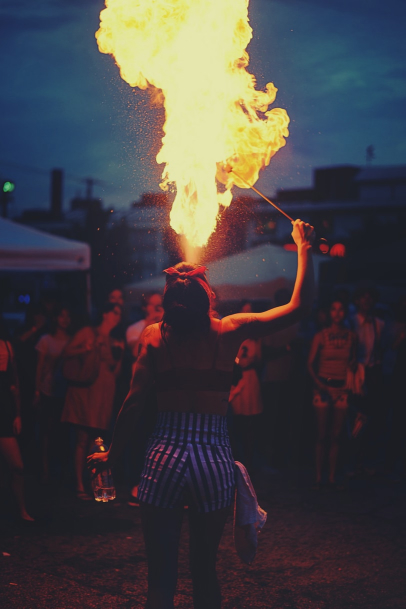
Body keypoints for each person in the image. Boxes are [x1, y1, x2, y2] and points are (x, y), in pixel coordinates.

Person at [88, 220, 314, 609]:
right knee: (204, 570)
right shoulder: (230, 330)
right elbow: (299, 307)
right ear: (206, 297)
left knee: (161, 573)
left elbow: (134, 402)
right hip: (213, 459)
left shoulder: (154, 336)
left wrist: (113, 453)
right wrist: (304, 247)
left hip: (164, 456)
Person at [61, 303, 123, 499]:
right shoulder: (88, 332)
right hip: (86, 392)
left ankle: (92, 485)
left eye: (119, 314)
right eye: (114, 312)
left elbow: (115, 372)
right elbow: (66, 352)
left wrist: (119, 354)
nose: (117, 317)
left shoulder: (113, 340)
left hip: (103, 395)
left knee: (95, 441)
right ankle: (79, 485)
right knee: (81, 439)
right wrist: (85, 348)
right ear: (104, 314)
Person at [307, 299, 357, 488]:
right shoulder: (321, 336)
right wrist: (319, 383)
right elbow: (310, 364)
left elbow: (352, 360)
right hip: (323, 387)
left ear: (345, 312)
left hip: (342, 388)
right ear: (330, 313)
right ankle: (319, 475)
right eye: (334, 309)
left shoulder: (352, 336)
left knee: (336, 435)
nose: (337, 313)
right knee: (321, 434)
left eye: (341, 309)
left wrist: (352, 366)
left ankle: (332, 475)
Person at [0, 317, 34, 521]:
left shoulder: (6, 345)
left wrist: (18, 414)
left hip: (4, 410)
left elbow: (14, 383)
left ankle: (21, 510)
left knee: (17, 467)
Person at [34, 305, 72, 483]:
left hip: (65, 390)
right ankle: (45, 469)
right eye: (62, 316)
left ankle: (62, 471)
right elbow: (39, 367)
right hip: (48, 390)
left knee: (62, 432)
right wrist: (36, 390)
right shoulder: (45, 340)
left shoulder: (72, 340)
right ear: (56, 318)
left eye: (67, 316)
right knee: (46, 431)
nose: (65, 320)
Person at [229, 302, 263, 475]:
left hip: (250, 379)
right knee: (237, 421)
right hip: (237, 380)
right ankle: (237, 460)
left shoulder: (256, 340)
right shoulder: (234, 336)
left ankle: (249, 462)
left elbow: (256, 359)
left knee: (250, 422)